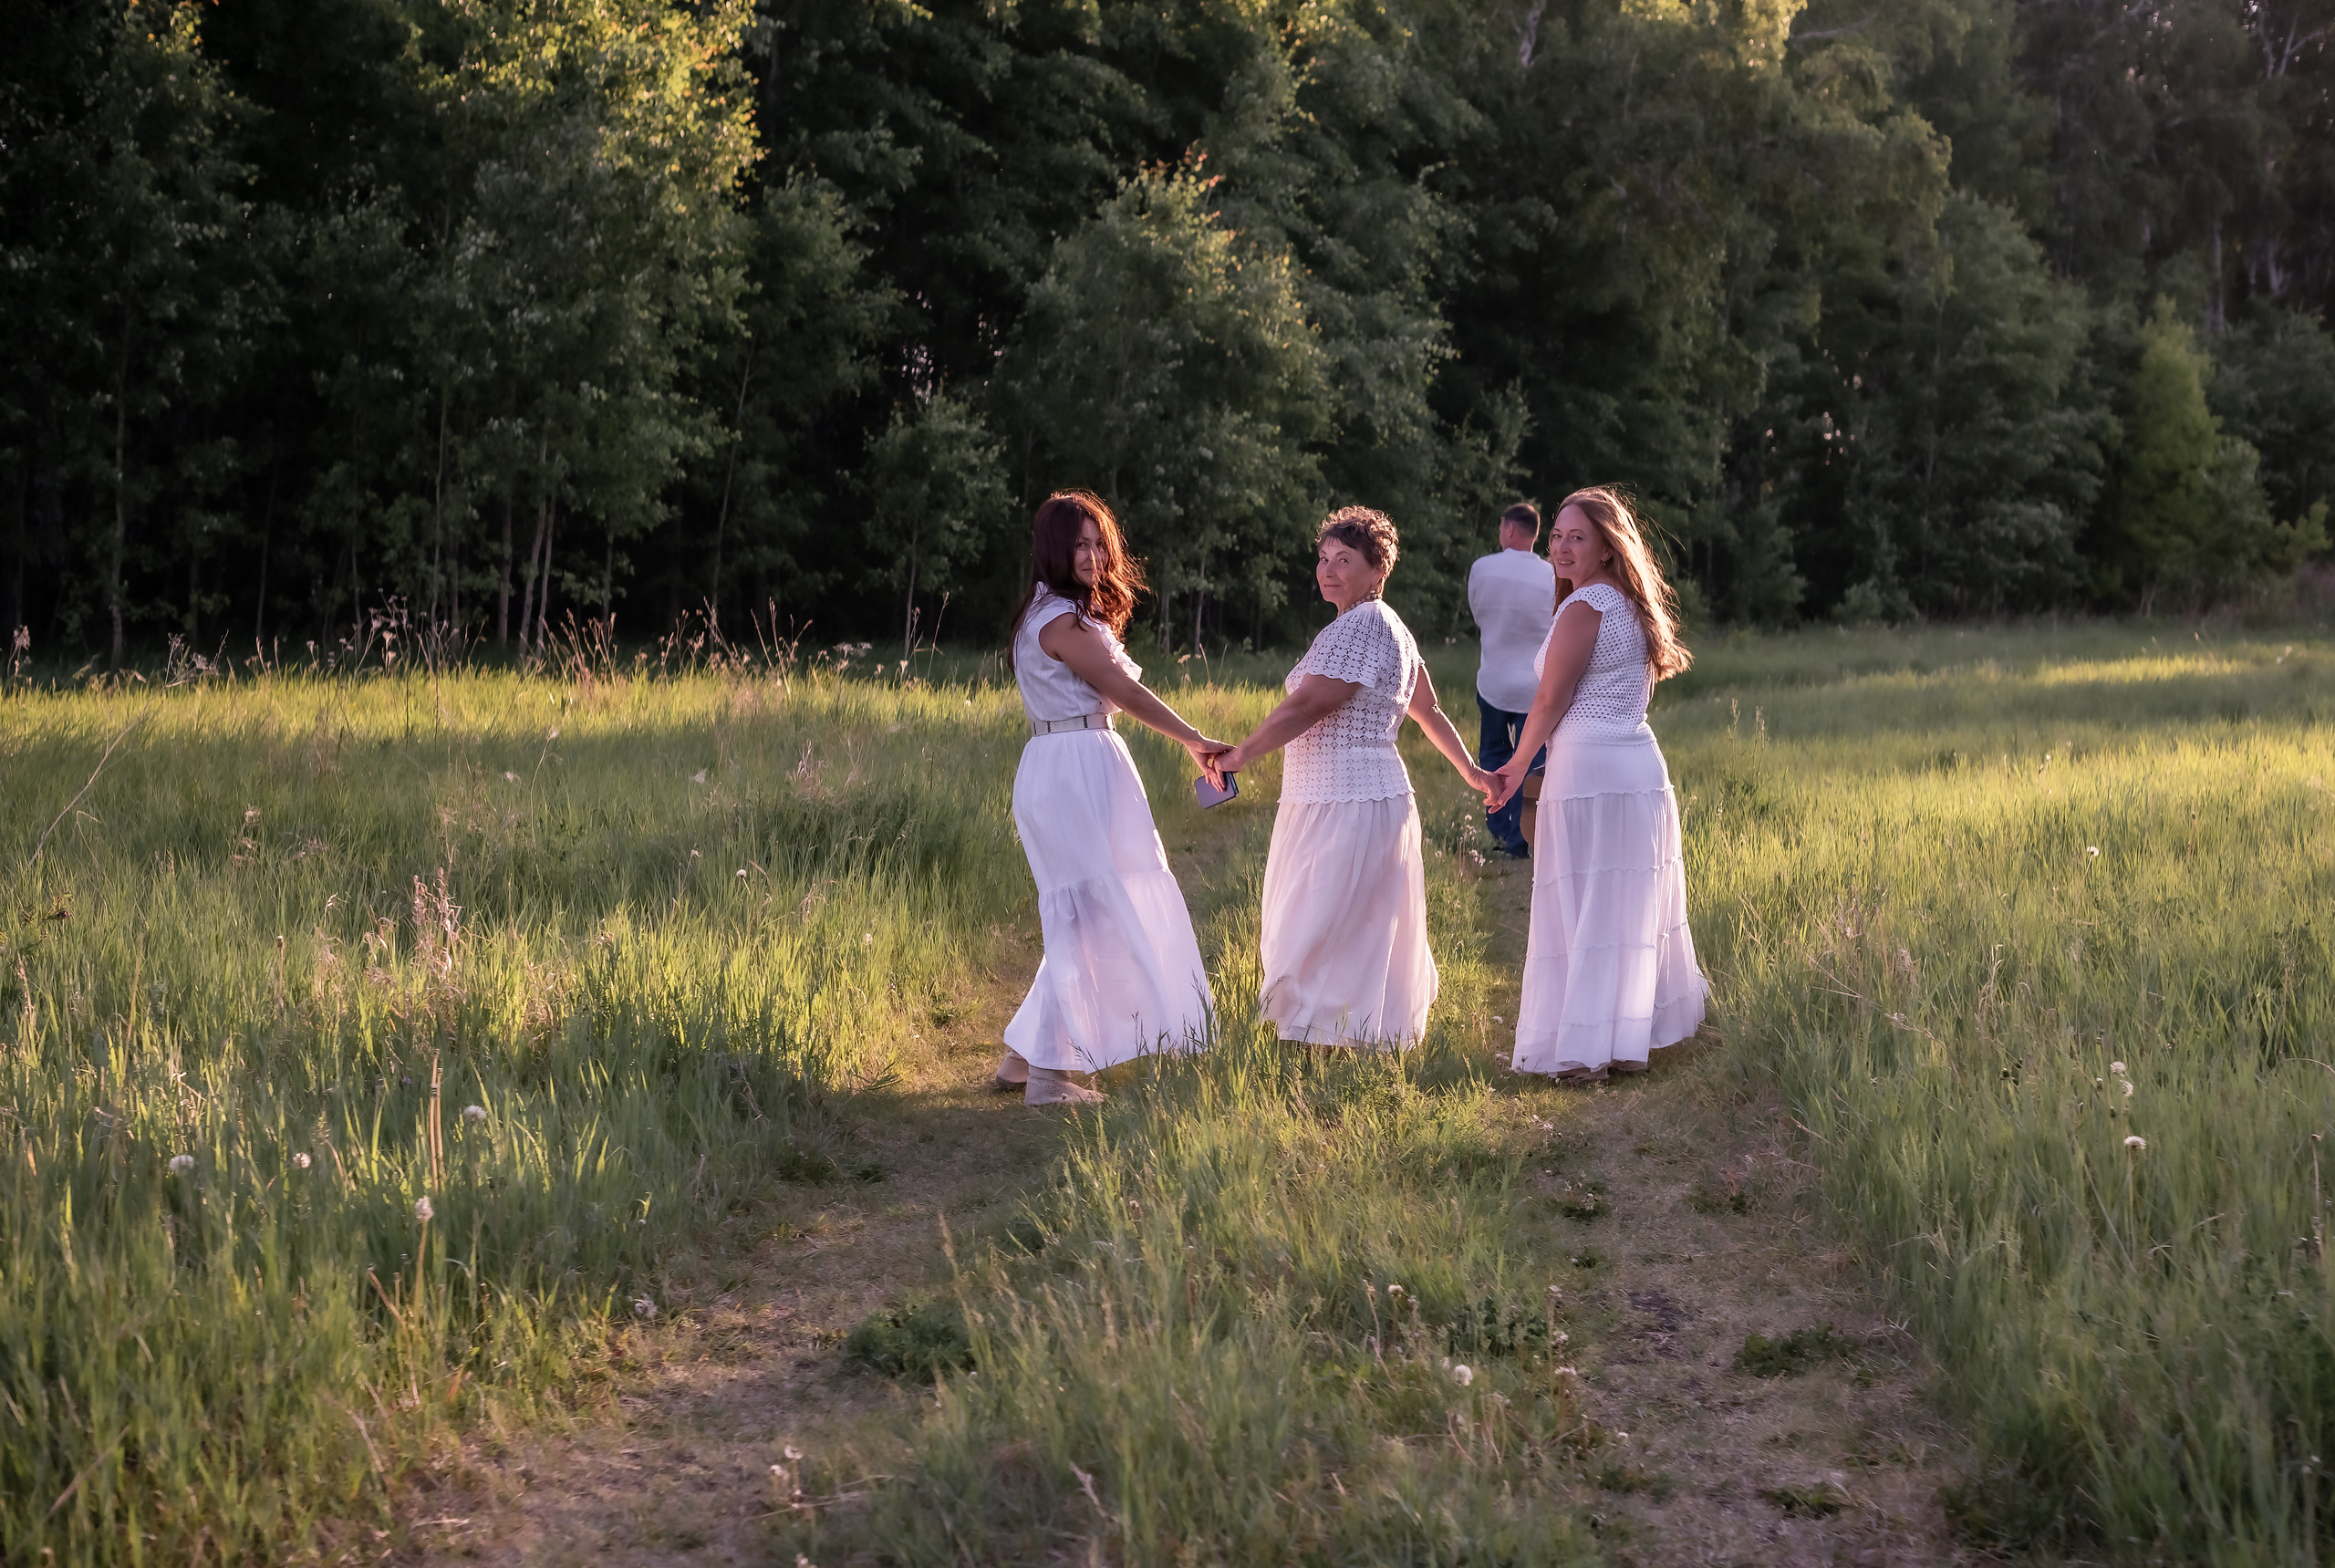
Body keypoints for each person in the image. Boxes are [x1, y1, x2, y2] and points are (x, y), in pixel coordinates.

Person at [1205, 507, 1494, 1050]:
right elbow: (1427, 710)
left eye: (1345, 560)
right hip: (1353, 791)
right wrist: (1472, 773)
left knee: (1323, 915)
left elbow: (1311, 704)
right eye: (1323, 558)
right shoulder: (1388, 626)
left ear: (1377, 570)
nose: (1329, 570)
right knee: (1352, 918)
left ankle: (1319, 1035)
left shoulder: (1364, 624)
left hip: (1347, 795)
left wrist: (1241, 755)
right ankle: (1351, 1032)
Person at [998, 491, 1226, 1106]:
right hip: (1074, 766)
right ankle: (1050, 1076)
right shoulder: (1061, 622)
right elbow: (1124, 690)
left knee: (1088, 911)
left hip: (1075, 761)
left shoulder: (1057, 613)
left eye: (1100, 543)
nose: (1094, 555)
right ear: (1054, 547)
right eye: (1080, 543)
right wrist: (1195, 739)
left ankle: (1026, 1056)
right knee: (1090, 914)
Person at [1486, 486, 1707, 1082]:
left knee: (1580, 906)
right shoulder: (1633, 608)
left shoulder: (1585, 607)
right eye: (1556, 535)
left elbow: (1551, 698)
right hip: (1637, 765)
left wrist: (1512, 767)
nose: (1560, 546)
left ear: (1608, 547)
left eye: (1576, 536)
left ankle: (1585, 1052)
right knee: (1619, 908)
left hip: (1588, 770)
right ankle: (1621, 1040)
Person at [1468, 502, 1557, 856]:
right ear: (1535, 534)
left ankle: (1500, 826)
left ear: (1508, 529)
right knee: (1531, 761)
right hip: (1536, 687)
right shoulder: (1551, 574)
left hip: (1493, 680)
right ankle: (1524, 836)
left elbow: (1478, 614)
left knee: (1493, 753)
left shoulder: (1482, 568)